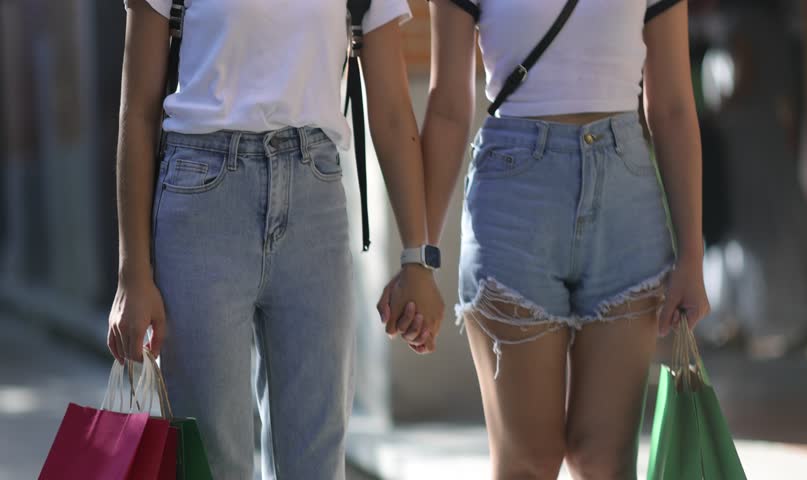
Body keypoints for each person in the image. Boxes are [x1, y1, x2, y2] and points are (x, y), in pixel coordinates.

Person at [107, 0, 444, 478]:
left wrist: (418, 257)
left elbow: (391, 111)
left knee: (316, 460)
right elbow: (137, 111)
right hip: (202, 202)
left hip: (316, 202)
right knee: (211, 458)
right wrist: (132, 274)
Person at [381, 0, 710, 478]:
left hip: (627, 199)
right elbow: (449, 106)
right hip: (514, 198)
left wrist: (692, 255)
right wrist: (419, 257)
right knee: (527, 462)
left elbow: (674, 105)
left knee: (604, 460)